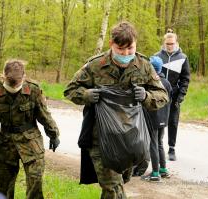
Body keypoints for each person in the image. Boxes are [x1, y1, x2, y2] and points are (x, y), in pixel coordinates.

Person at [64, 21, 168, 199]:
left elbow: (162, 95)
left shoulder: (143, 65)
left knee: (116, 185)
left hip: (131, 139)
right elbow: (70, 90)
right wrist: (87, 95)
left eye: (131, 48)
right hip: (101, 140)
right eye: (121, 49)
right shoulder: (95, 66)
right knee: (114, 189)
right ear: (111, 44)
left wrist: (145, 96)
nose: (126, 54)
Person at [0, 59, 60, 199]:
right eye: (10, 83)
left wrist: (53, 134)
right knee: (3, 188)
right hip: (5, 143)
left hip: (30, 141)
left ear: (24, 76)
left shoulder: (33, 90)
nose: (14, 86)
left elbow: (43, 114)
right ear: (3, 76)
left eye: (17, 83)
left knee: (36, 181)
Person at [155, 31, 190, 161]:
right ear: (164, 43)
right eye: (167, 44)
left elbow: (185, 78)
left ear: (176, 43)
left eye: (172, 44)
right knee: (158, 121)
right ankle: (158, 147)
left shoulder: (183, 57)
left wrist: (181, 95)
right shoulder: (157, 57)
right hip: (159, 94)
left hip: (174, 95)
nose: (169, 46)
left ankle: (171, 149)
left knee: (173, 122)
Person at [142, 56, 172, 182]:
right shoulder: (167, 82)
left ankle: (155, 173)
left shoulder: (150, 83)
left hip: (153, 117)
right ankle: (163, 169)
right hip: (164, 117)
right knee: (159, 142)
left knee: (153, 143)